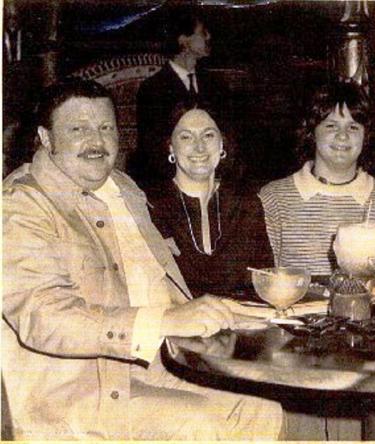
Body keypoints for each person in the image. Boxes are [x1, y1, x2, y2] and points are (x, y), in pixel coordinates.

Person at [2, 80, 283, 440]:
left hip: (149, 369)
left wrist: (226, 314)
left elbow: (160, 284)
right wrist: (165, 320)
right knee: (198, 425)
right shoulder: (20, 205)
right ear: (46, 137)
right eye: (78, 129)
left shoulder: (124, 188)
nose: (96, 141)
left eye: (106, 128)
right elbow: (45, 317)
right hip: (75, 395)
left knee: (260, 408)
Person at [259, 82, 375, 279]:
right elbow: (263, 278)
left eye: (353, 127)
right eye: (331, 126)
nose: (342, 136)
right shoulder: (274, 198)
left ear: (366, 136)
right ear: (312, 132)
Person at [147, 99, 272, 297]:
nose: (199, 147)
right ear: (170, 146)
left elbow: (265, 280)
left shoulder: (247, 205)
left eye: (208, 135)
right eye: (186, 137)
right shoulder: (150, 207)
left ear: (222, 143)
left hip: (244, 315)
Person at [132, 8, 225, 190]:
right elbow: (151, 150)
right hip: (169, 185)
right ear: (183, 40)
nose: (208, 36)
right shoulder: (153, 89)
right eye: (202, 32)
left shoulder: (216, 85)